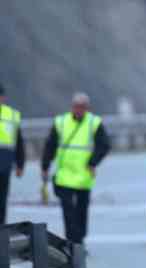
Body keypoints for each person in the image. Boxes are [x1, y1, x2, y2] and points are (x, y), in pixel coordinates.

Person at [40, 93, 111, 244]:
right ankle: (73, 242)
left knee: (81, 211)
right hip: (65, 175)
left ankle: (79, 239)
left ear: (87, 108)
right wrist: (45, 166)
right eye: (77, 107)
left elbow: (104, 145)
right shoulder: (61, 122)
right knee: (68, 211)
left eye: (82, 107)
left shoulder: (94, 123)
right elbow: (50, 145)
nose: (79, 110)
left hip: (83, 176)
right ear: (72, 107)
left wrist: (93, 162)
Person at [0, 83, 26, 225]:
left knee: (2, 200)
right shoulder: (12, 115)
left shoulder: (12, 115)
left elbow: (18, 141)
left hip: (5, 164)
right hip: (5, 163)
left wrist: (20, 164)